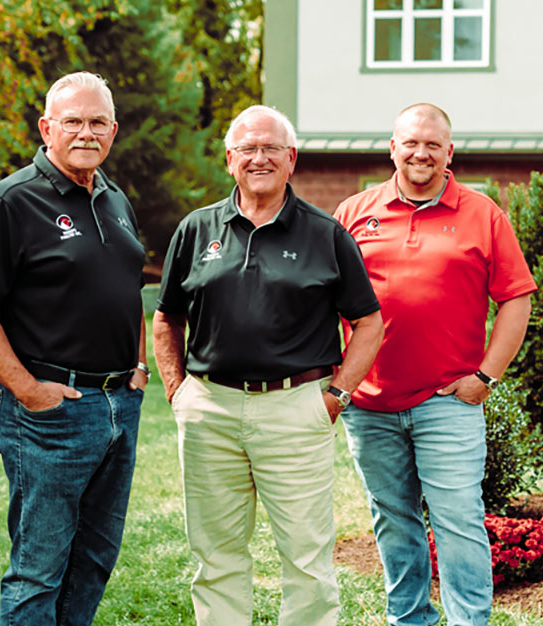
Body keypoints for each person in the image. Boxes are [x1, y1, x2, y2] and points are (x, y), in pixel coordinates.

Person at [152, 105, 385, 626]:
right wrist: (177, 391)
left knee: (306, 558)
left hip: (296, 409)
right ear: (230, 160)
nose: (259, 158)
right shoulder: (196, 230)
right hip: (210, 410)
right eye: (248, 149)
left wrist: (337, 394)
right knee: (215, 557)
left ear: (291, 159)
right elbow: (166, 318)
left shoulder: (325, 234)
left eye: (271, 149)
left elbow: (369, 324)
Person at [0, 72, 147, 625]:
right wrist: (30, 392)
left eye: (97, 122)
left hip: (117, 406)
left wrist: (135, 363)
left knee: (94, 557)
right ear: (46, 128)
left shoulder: (113, 198)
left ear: (113, 130)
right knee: (39, 568)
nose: (86, 133)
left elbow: (127, 284)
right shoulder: (11, 202)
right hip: (50, 413)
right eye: (73, 121)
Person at [333, 103, 536, 626]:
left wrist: (486, 376)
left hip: (447, 400)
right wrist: (339, 382)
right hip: (369, 403)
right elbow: (322, 301)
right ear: (392, 147)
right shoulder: (354, 212)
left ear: (449, 152)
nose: (420, 152)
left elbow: (517, 298)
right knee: (393, 521)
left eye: (433, 144)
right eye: (411, 142)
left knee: (458, 520)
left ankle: (470, 622)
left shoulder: (482, 213)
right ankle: (410, 619)